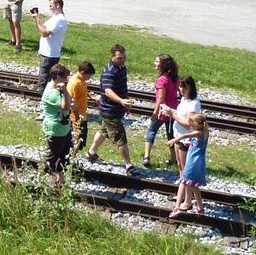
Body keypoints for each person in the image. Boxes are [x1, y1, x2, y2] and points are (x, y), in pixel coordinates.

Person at [87, 43, 138, 174]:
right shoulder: (109, 71)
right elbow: (108, 91)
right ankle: (129, 165)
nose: (123, 60)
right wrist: (121, 101)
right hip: (110, 110)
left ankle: (91, 152)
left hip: (116, 108)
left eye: (124, 57)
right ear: (112, 57)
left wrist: (126, 103)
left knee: (104, 131)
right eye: (120, 58)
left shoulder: (122, 68)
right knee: (121, 139)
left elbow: (123, 87)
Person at [143, 54, 180, 168]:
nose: (155, 63)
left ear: (163, 65)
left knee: (151, 132)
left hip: (162, 111)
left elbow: (161, 98)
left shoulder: (162, 80)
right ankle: (174, 159)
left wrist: (155, 112)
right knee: (171, 135)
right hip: (173, 111)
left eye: (157, 61)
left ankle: (146, 157)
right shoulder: (175, 78)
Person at [41, 62, 74, 186]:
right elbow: (66, 106)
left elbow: (69, 102)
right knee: (52, 158)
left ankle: (60, 181)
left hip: (63, 129)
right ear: (57, 77)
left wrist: (66, 94)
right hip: (55, 130)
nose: (67, 80)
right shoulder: (52, 92)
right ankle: (43, 181)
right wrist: (65, 91)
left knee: (63, 156)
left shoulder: (56, 88)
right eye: (65, 77)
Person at [169, 113, 209, 216]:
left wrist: (174, 140)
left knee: (183, 181)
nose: (191, 124)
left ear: (199, 124)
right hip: (199, 162)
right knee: (194, 185)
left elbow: (184, 135)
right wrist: (190, 144)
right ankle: (200, 209)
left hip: (193, 162)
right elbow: (198, 144)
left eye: (193, 122)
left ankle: (177, 207)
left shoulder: (198, 133)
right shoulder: (204, 132)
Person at [163, 76, 203, 174]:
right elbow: (181, 114)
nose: (181, 89)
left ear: (191, 88)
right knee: (180, 166)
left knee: (185, 169)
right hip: (178, 136)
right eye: (180, 87)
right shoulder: (184, 99)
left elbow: (188, 124)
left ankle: (184, 188)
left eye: (184, 87)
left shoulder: (194, 103)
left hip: (186, 139)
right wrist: (168, 110)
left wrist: (172, 115)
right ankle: (182, 187)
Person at [31, 0, 69, 93]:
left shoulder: (59, 20)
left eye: (51, 6)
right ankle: (43, 93)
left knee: (45, 78)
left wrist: (38, 18)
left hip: (50, 54)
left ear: (57, 5)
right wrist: (36, 19)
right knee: (45, 77)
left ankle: (42, 96)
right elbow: (42, 30)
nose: (50, 8)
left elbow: (45, 32)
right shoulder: (55, 17)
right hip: (46, 52)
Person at [68, 60, 94, 157]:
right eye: (88, 76)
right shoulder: (74, 83)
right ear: (83, 73)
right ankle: (70, 159)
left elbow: (83, 91)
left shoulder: (81, 81)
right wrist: (76, 118)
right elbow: (71, 101)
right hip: (76, 117)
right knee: (76, 141)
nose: (88, 79)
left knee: (80, 142)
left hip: (82, 115)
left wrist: (91, 97)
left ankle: (73, 158)